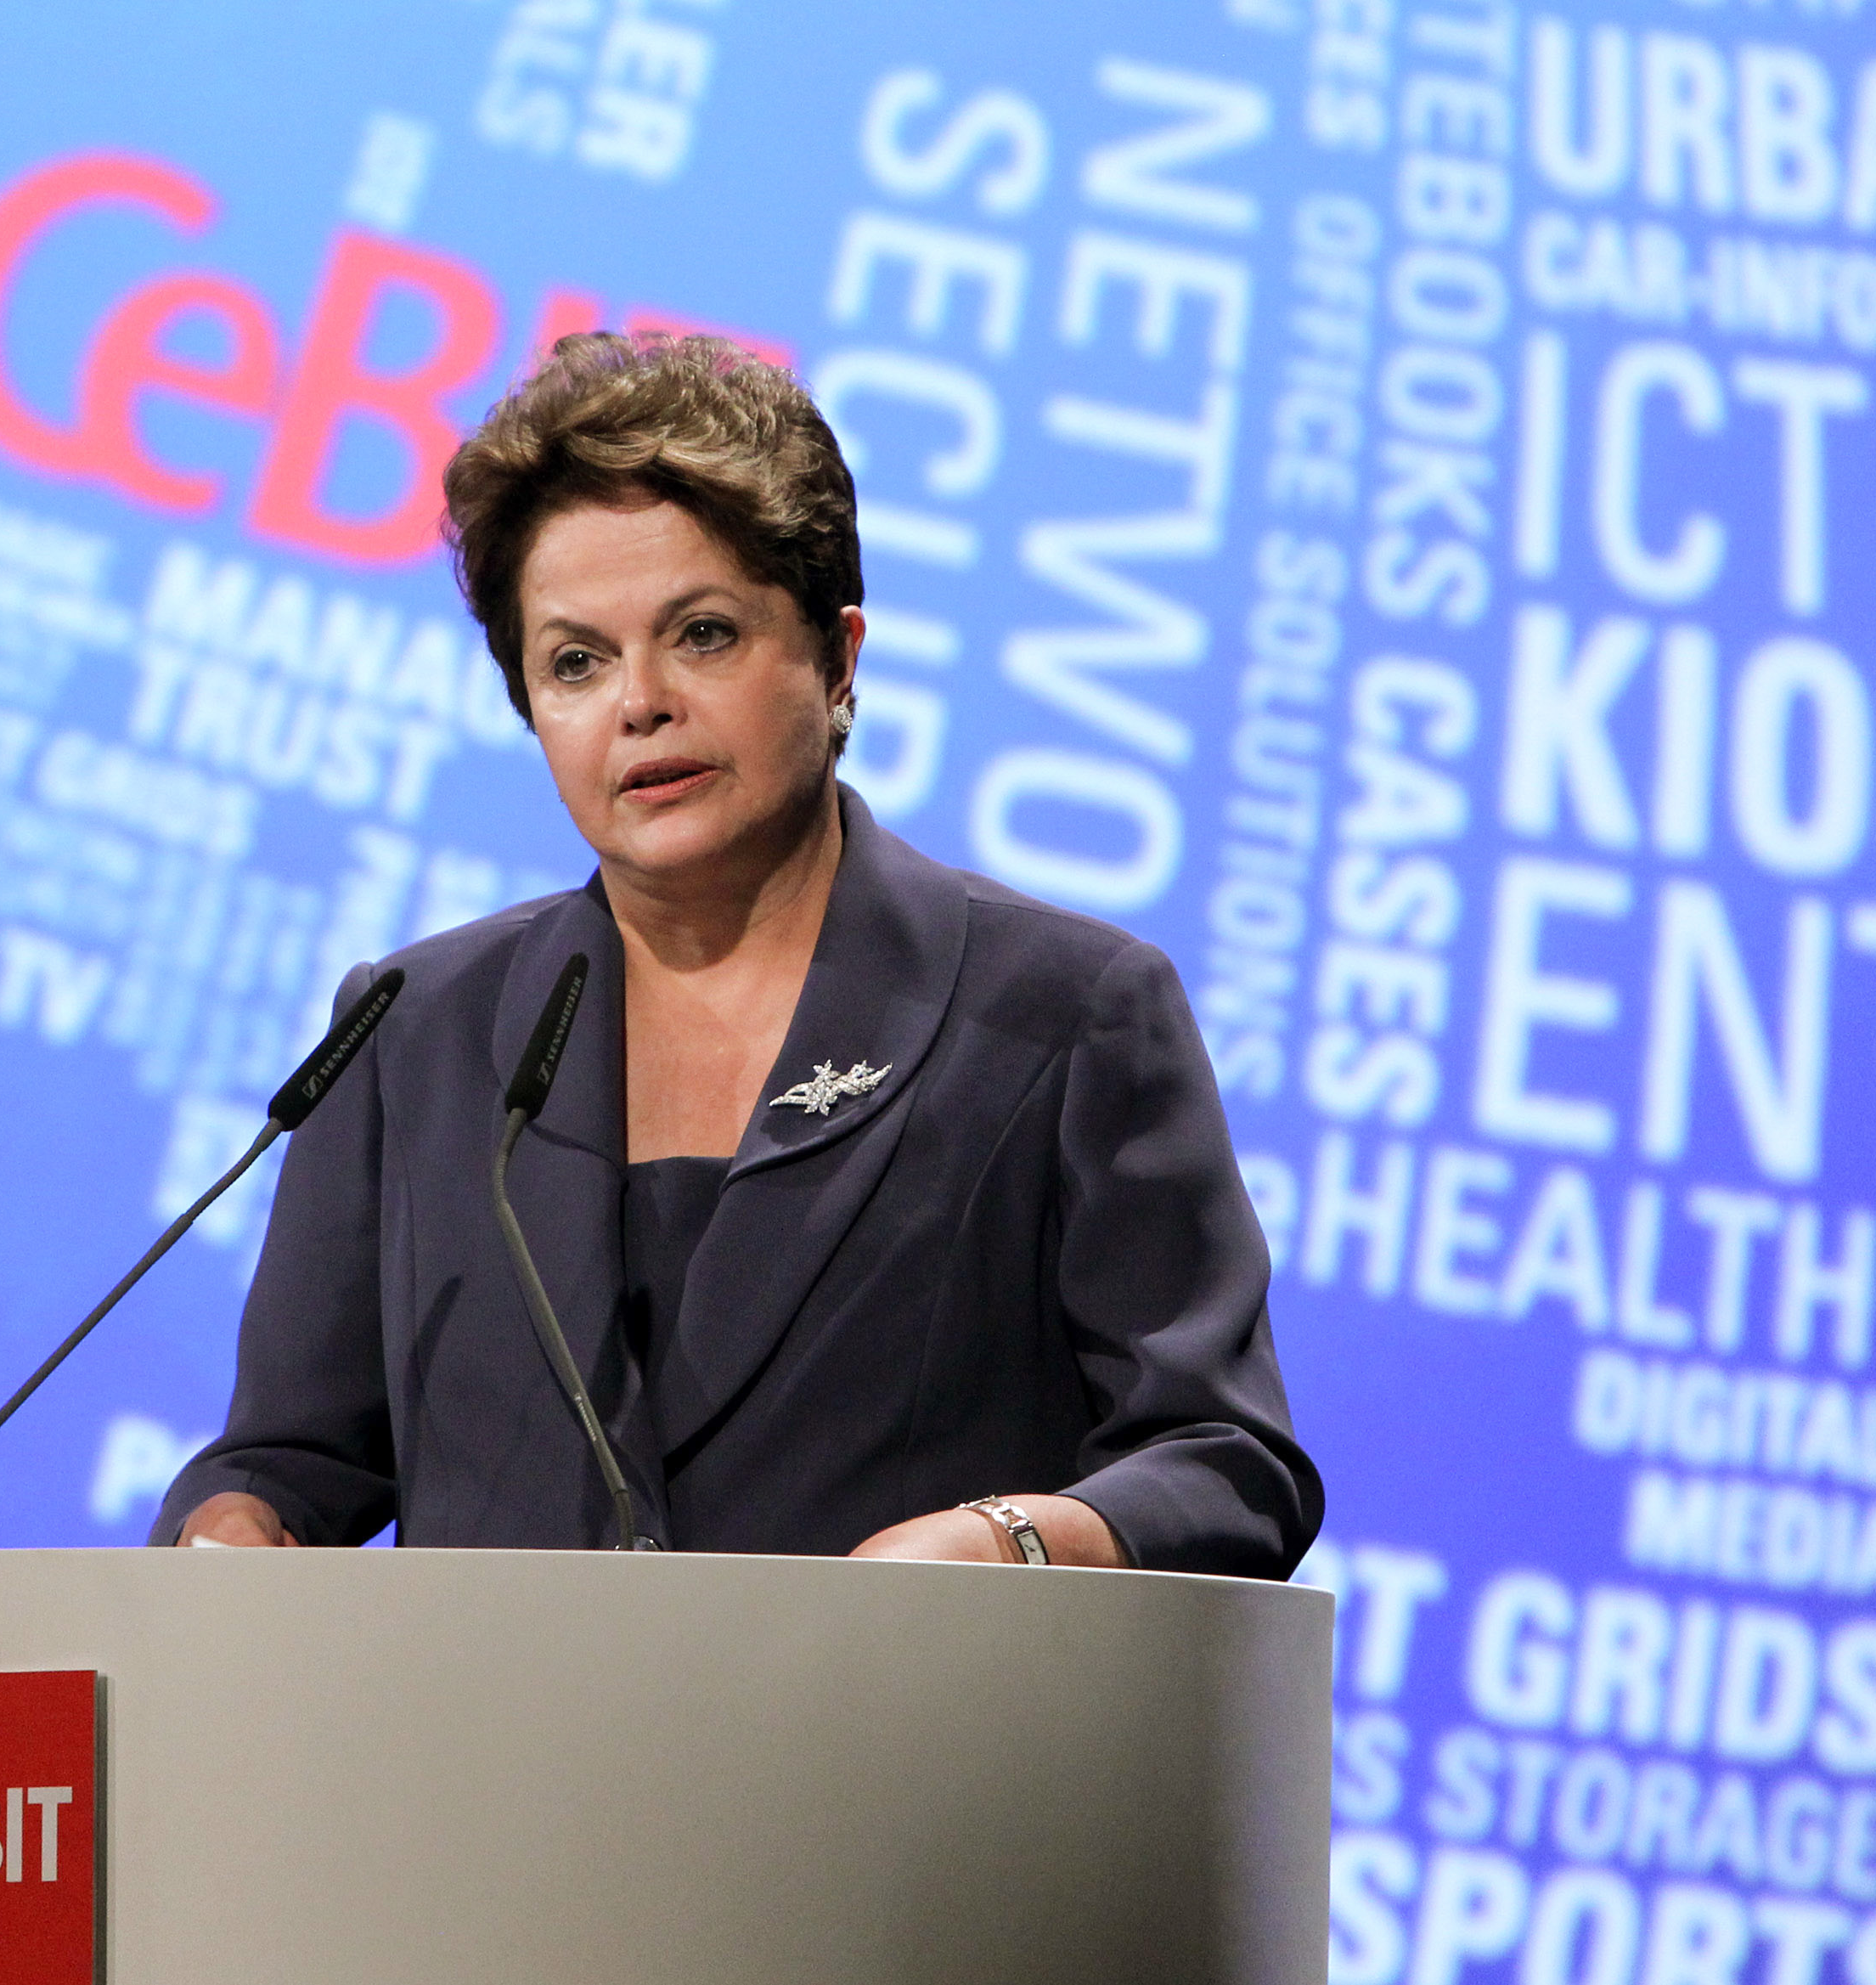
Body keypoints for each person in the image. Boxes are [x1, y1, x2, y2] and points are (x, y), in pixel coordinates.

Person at [151, 333, 1321, 1572]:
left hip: (892, 1699)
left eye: (702, 633)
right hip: (499, 1709)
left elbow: (1224, 1461)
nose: (639, 701)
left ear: (838, 658)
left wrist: (1011, 1544)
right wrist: (231, 1529)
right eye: (575, 662)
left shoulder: (1061, 1014)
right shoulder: (412, 1030)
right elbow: (282, 1460)